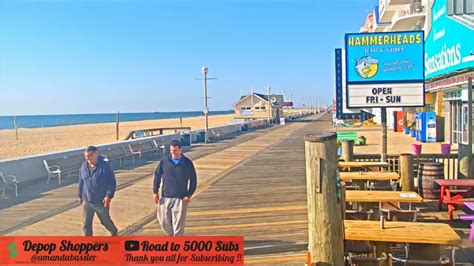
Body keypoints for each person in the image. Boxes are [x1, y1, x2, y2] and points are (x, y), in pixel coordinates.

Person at [153, 140, 197, 236]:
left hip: (180, 198)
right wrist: (155, 191)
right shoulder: (164, 161)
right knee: (163, 221)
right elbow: (157, 175)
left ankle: (177, 244)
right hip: (165, 197)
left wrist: (189, 194)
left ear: (180, 150)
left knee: (178, 226)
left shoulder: (187, 163)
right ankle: (172, 237)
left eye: (175, 151)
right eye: (171, 151)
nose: (173, 153)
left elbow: (193, 180)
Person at [78, 146, 118, 236]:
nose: (88, 158)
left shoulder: (105, 166)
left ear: (96, 154)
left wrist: (108, 196)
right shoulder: (84, 165)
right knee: (86, 224)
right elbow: (81, 181)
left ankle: (113, 231)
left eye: (90, 155)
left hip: (100, 201)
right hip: (87, 200)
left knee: (105, 221)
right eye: (86, 156)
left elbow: (112, 183)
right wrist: (80, 195)